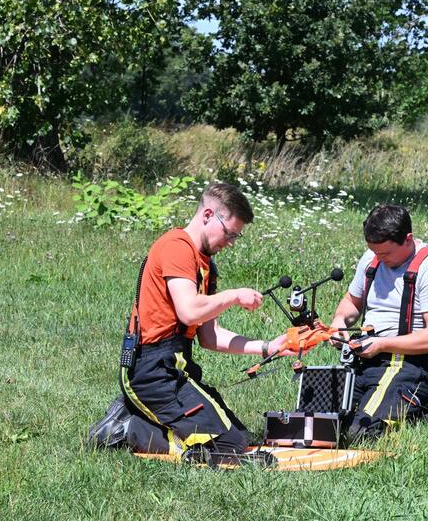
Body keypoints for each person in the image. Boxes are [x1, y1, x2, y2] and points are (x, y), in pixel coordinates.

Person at [87, 182, 285, 458]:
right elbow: (189, 311)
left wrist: (268, 347)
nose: (230, 243)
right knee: (226, 448)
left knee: (240, 438)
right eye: (229, 234)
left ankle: (139, 418)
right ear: (207, 216)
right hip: (152, 371)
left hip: (177, 368)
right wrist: (235, 295)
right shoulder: (177, 247)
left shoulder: (205, 263)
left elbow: (209, 336)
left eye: (236, 237)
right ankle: (127, 427)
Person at [329, 204, 428, 442]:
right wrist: (339, 322)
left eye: (385, 254)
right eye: (375, 253)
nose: (379, 259)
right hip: (364, 359)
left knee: (361, 433)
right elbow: (351, 303)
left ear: (408, 239)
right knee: (322, 425)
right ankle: (410, 405)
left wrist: (381, 344)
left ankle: (424, 407)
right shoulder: (372, 259)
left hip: (408, 364)